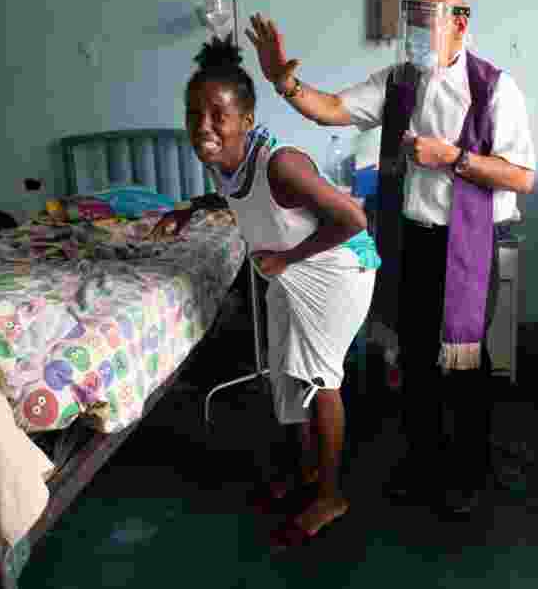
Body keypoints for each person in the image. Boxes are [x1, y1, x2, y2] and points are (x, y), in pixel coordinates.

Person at [244, 0, 536, 516]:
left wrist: (452, 158)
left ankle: (468, 474)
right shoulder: (399, 81)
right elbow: (332, 109)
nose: (416, 33)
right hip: (412, 238)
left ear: (460, 23)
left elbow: (522, 177)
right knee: (416, 358)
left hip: (467, 245)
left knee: (465, 364)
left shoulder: (495, 88)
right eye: (412, 20)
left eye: (427, 20)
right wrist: (285, 83)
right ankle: (422, 464)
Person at [151, 35, 380, 548]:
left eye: (218, 115)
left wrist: (288, 257)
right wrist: (191, 209)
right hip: (291, 270)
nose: (204, 126)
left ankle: (331, 495)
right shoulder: (224, 161)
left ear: (247, 120)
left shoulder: (281, 164)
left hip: (336, 272)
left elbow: (353, 219)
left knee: (320, 379)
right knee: (284, 372)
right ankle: (307, 471)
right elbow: (236, 196)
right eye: (194, 114)